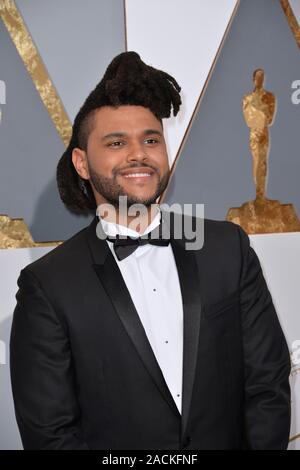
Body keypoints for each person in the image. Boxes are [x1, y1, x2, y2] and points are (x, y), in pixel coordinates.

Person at [10, 52, 291, 450]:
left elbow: (268, 384)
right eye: (116, 142)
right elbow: (51, 434)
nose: (138, 154)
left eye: (150, 139)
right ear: (82, 162)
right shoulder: (49, 285)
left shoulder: (227, 248)